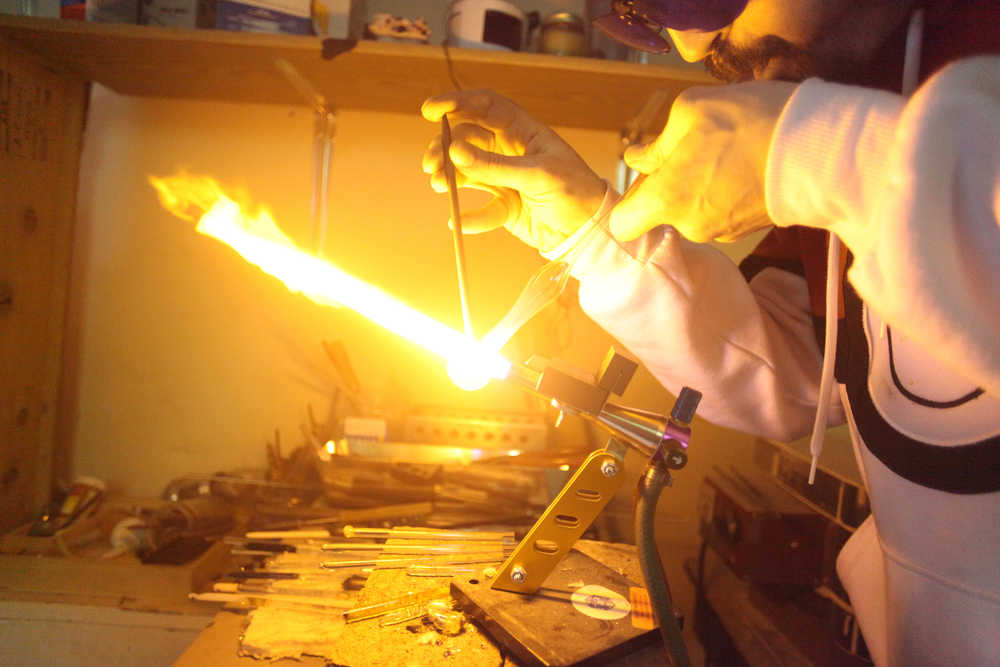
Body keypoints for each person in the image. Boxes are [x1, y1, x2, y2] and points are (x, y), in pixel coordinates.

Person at [421, 1, 999, 665]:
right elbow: (799, 370)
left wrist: (822, 149)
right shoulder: (858, 79)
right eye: (641, 15)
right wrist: (594, 235)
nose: (690, 47)